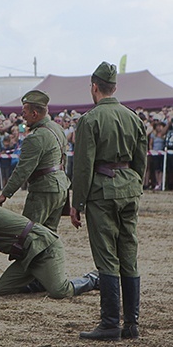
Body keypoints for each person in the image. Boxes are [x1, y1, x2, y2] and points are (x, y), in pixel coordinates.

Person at [71, 61, 147, 341]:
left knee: (106, 256)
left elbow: (83, 166)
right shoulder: (134, 118)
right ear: (114, 87)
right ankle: (132, 325)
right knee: (129, 253)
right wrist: (134, 184)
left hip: (101, 193)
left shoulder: (89, 120)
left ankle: (110, 323)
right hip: (129, 189)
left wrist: (76, 203)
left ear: (94, 87)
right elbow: (141, 161)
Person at [0, 90, 70, 232]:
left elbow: (23, 170)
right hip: (60, 187)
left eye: (24, 113)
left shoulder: (36, 136)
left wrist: (5, 194)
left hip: (43, 190)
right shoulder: (57, 128)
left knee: (28, 234)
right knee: (48, 235)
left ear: (34, 114)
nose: (23, 117)